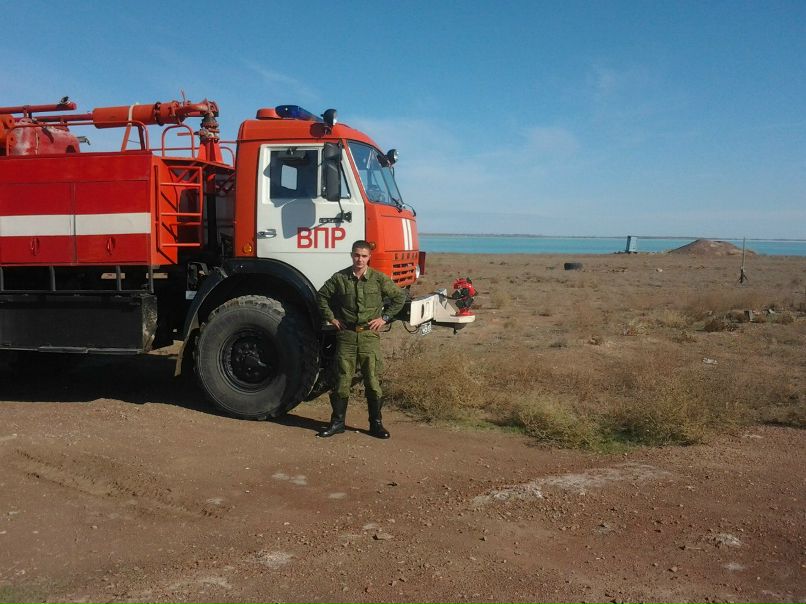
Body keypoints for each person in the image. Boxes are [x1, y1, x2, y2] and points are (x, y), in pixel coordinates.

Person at [316, 240, 406, 439]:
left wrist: (384, 318)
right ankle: (337, 423)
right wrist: (331, 317)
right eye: (357, 255)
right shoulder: (340, 278)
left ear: (369, 257)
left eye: (364, 256)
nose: (360, 259)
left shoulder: (378, 279)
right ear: (351, 255)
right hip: (346, 336)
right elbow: (321, 296)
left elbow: (399, 297)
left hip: (368, 337)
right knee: (342, 380)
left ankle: (376, 425)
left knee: (373, 381)